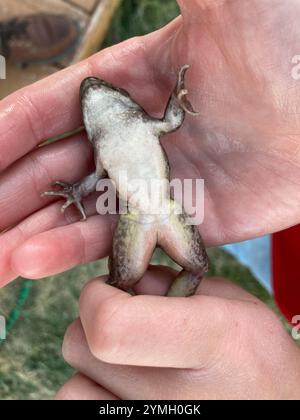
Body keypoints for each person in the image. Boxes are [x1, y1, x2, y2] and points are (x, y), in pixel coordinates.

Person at [0, 0, 300, 399]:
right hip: (146, 215)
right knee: (123, 281)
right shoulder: (105, 145)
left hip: (167, 209)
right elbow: (93, 179)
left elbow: (170, 121)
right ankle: (156, 321)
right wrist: (74, 191)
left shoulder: (139, 125)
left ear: (126, 102)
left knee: (194, 266)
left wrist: (178, 95)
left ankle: (168, 316)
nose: (93, 94)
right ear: (91, 126)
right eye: (89, 104)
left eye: (104, 91)